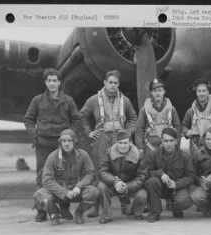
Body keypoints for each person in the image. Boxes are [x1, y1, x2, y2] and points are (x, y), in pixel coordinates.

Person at [24, 68, 81, 221]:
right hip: (43, 143)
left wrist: (70, 136)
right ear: (45, 82)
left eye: (55, 80)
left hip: (62, 145)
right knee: (41, 176)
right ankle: (41, 209)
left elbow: (76, 119)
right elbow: (28, 119)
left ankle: (64, 207)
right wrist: (35, 134)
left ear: (59, 82)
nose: (52, 83)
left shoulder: (68, 100)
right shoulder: (37, 100)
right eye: (49, 80)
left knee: (63, 176)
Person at [80, 69, 137, 217]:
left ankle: (125, 204)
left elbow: (132, 118)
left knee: (122, 169)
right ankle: (95, 206)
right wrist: (89, 133)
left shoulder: (125, 100)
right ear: (104, 83)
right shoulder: (93, 100)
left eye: (115, 83)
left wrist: (128, 133)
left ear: (118, 84)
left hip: (119, 138)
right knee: (100, 170)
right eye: (110, 82)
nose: (113, 85)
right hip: (102, 138)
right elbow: (82, 116)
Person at [33, 129, 100, 225]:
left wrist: (79, 186)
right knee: (39, 195)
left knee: (94, 192)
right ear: (60, 143)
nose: (66, 144)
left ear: (74, 141)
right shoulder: (53, 157)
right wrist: (64, 192)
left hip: (76, 191)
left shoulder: (83, 155)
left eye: (69, 141)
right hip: (59, 191)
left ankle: (79, 213)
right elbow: (47, 180)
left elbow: (91, 173)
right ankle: (54, 214)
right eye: (63, 141)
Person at [145, 127, 195, 222]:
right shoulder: (154, 154)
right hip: (161, 187)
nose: (168, 144)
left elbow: (191, 177)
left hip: (177, 187)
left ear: (176, 141)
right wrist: (161, 174)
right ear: (162, 141)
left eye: (171, 141)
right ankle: (155, 212)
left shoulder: (185, 156)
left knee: (183, 201)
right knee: (151, 182)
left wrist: (176, 184)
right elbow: (148, 172)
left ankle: (176, 208)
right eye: (166, 141)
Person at [97, 130, 147, 224]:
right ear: (116, 143)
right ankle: (106, 215)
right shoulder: (109, 152)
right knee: (101, 186)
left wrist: (127, 186)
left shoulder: (138, 155)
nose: (123, 146)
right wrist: (115, 182)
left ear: (130, 143)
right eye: (120, 143)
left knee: (142, 194)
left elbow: (141, 176)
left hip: (130, 186)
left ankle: (136, 211)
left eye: (125, 143)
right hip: (114, 184)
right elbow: (102, 171)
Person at [135, 78, 181, 155]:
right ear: (151, 93)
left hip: (168, 146)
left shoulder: (171, 109)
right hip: (150, 146)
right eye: (155, 91)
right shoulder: (144, 109)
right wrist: (140, 148)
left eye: (160, 90)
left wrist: (177, 145)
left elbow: (178, 128)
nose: (157, 93)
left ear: (164, 92)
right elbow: (139, 129)